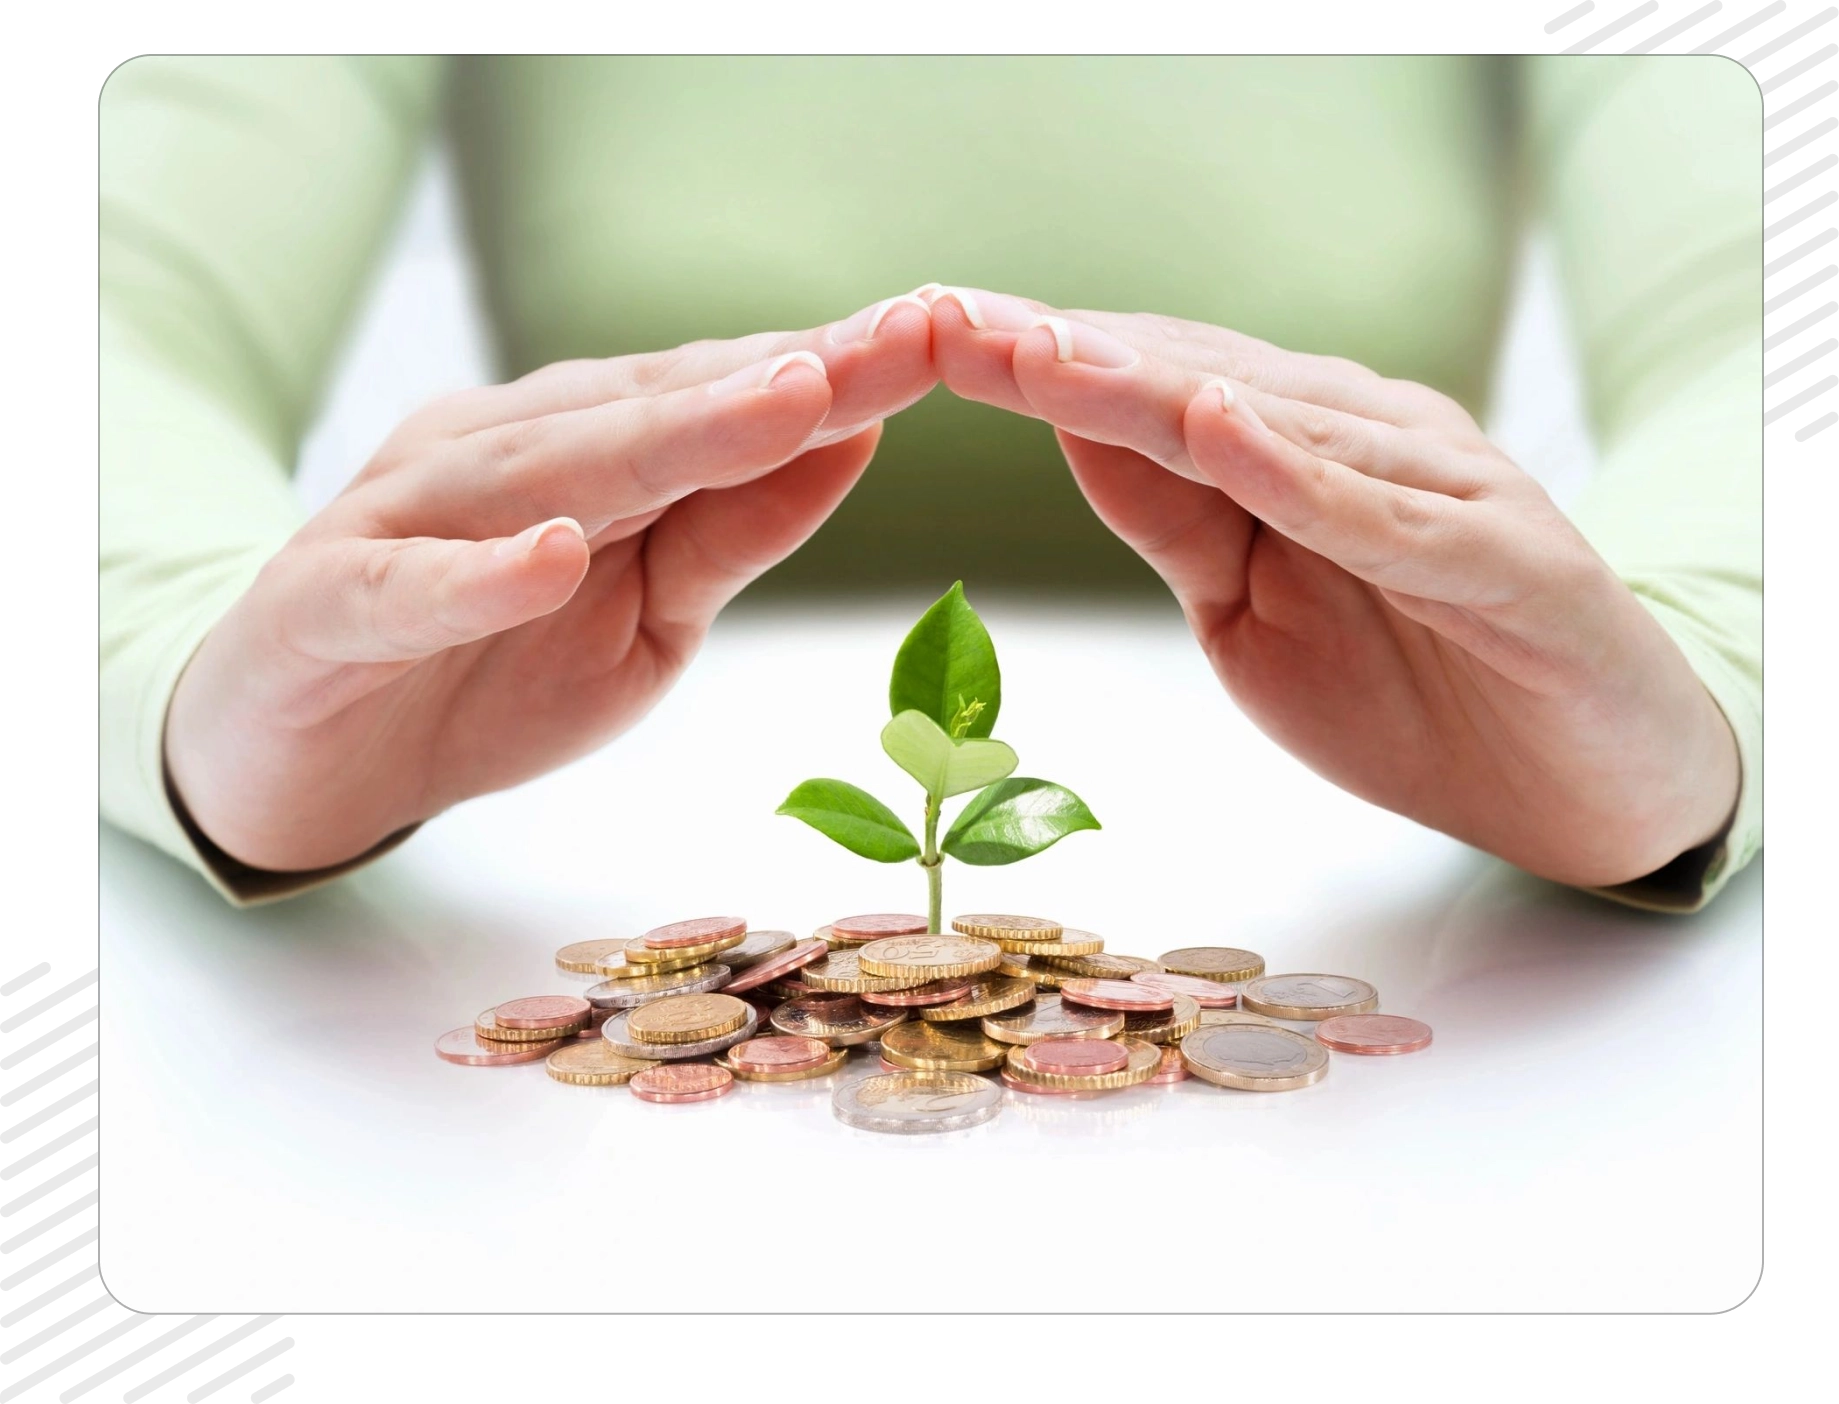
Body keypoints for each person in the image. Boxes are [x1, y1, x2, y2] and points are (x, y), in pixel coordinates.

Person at [99, 54, 1763, 912]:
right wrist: (204, 689)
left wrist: (1686, 694)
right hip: (533, 880)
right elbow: (123, 291)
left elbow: (1764, 305)